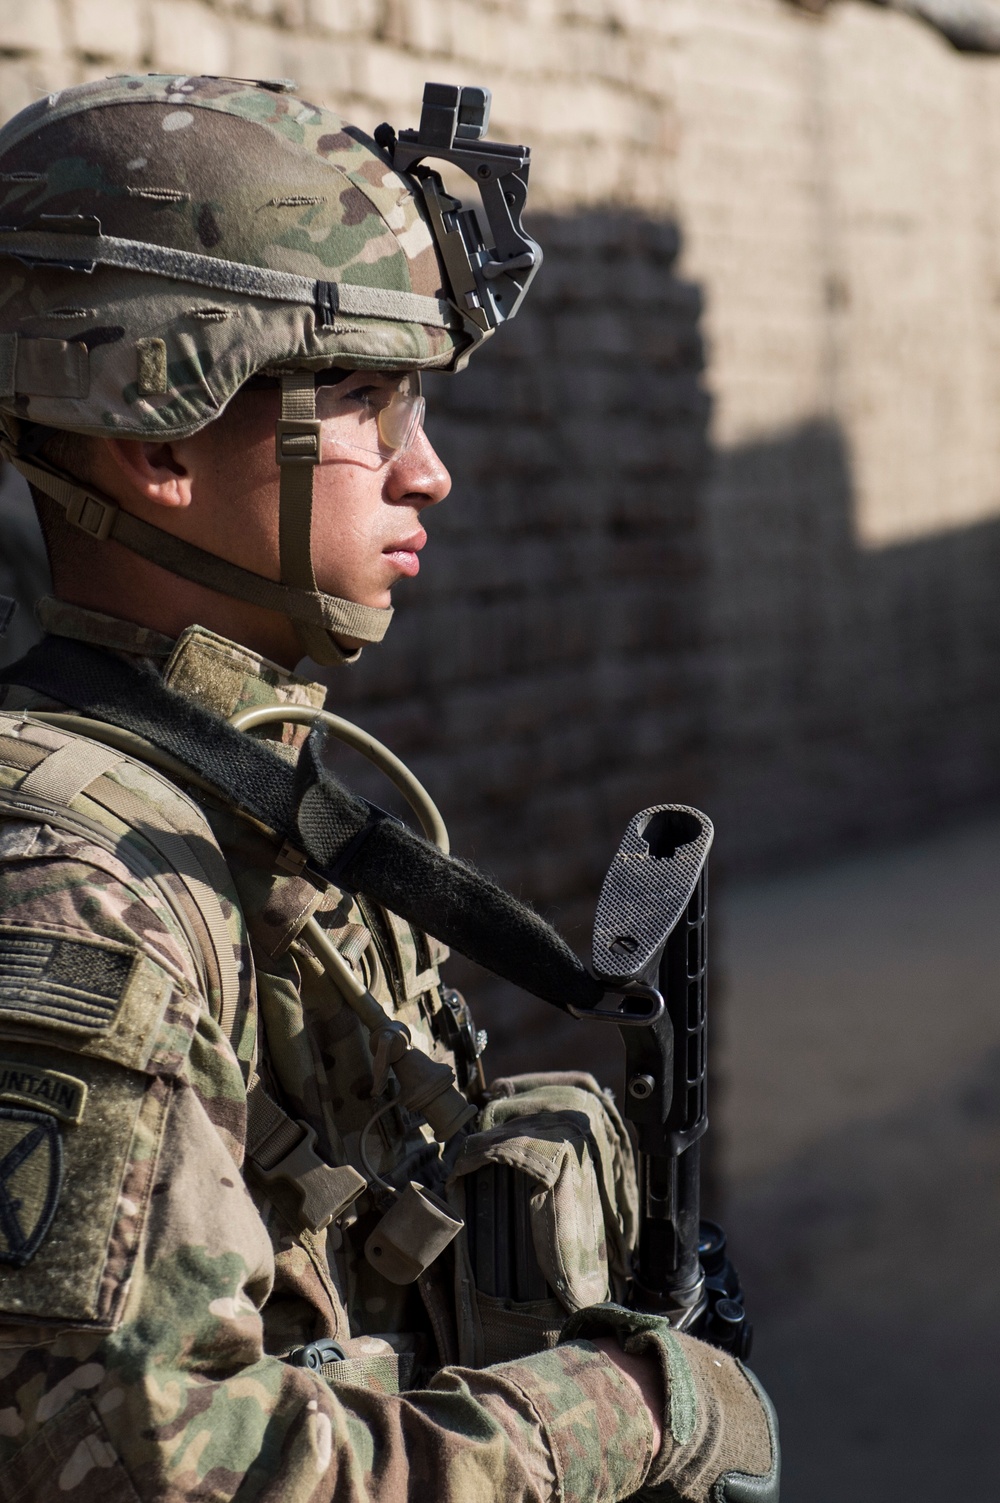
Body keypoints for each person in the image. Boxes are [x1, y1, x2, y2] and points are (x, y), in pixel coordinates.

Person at [0, 74, 778, 1501]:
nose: (429, 475)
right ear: (158, 433)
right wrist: (621, 1416)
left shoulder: (260, 790)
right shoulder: (78, 884)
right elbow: (147, 1467)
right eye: (361, 397)